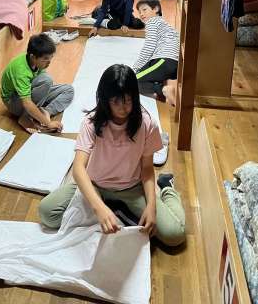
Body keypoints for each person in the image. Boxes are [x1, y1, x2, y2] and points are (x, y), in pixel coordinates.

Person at [39, 64, 185, 247]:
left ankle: (167, 188)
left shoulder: (147, 123)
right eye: (116, 102)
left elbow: (147, 169)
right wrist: (99, 208)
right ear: (105, 99)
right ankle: (115, 211)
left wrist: (151, 206)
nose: (122, 108)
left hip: (131, 188)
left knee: (174, 234)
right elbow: (78, 169)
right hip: (96, 184)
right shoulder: (91, 123)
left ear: (135, 97)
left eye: (128, 101)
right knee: (47, 213)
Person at [1, 33, 74, 132]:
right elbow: (26, 102)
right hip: (13, 101)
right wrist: (48, 123)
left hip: (29, 90)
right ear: (33, 57)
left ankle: (46, 112)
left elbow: (41, 84)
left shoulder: (36, 62)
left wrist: (45, 116)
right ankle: (25, 118)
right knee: (47, 80)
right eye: (45, 59)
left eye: (51, 58)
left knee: (69, 90)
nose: (49, 62)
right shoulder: (20, 70)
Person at [133, 0, 180, 100]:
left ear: (156, 9)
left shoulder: (152, 22)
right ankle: (158, 88)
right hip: (172, 63)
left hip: (164, 60)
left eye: (144, 10)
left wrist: (136, 67)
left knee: (132, 80)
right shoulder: (164, 24)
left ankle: (163, 90)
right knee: (142, 74)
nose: (141, 14)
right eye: (139, 12)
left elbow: (149, 47)